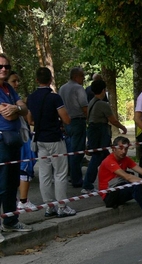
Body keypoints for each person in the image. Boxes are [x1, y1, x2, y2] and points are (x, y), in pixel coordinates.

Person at [27, 67, 76, 218]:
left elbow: (30, 120)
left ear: (36, 80)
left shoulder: (31, 98)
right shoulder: (55, 98)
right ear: (50, 80)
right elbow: (66, 119)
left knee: (44, 174)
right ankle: (62, 206)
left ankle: (49, 206)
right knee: (60, 173)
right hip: (54, 138)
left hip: (40, 139)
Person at [0, 53, 32, 241]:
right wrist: (17, 109)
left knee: (12, 183)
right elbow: (10, 115)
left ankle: (11, 221)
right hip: (1, 142)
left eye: (7, 66)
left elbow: (24, 109)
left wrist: (17, 108)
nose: (4, 69)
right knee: (2, 184)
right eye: (0, 66)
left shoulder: (8, 89)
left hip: (12, 141)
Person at [81, 80, 127, 194]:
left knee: (107, 157)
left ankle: (114, 177)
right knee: (97, 157)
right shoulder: (102, 104)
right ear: (103, 90)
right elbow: (113, 120)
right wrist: (122, 127)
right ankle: (87, 184)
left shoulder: (92, 101)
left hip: (93, 131)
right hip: (100, 132)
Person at [7, 71, 37, 211]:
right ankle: (23, 201)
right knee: (24, 167)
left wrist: (20, 109)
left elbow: (26, 112)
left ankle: (17, 201)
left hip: (21, 136)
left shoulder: (14, 96)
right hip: (16, 139)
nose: (17, 84)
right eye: (14, 81)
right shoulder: (6, 98)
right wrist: (20, 109)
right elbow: (16, 115)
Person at [59, 67, 88, 188]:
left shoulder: (62, 88)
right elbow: (84, 106)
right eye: (82, 77)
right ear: (77, 77)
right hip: (78, 121)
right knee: (78, 151)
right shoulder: (78, 88)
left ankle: (71, 174)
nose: (83, 79)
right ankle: (76, 179)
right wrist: (88, 119)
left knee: (70, 150)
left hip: (66, 122)